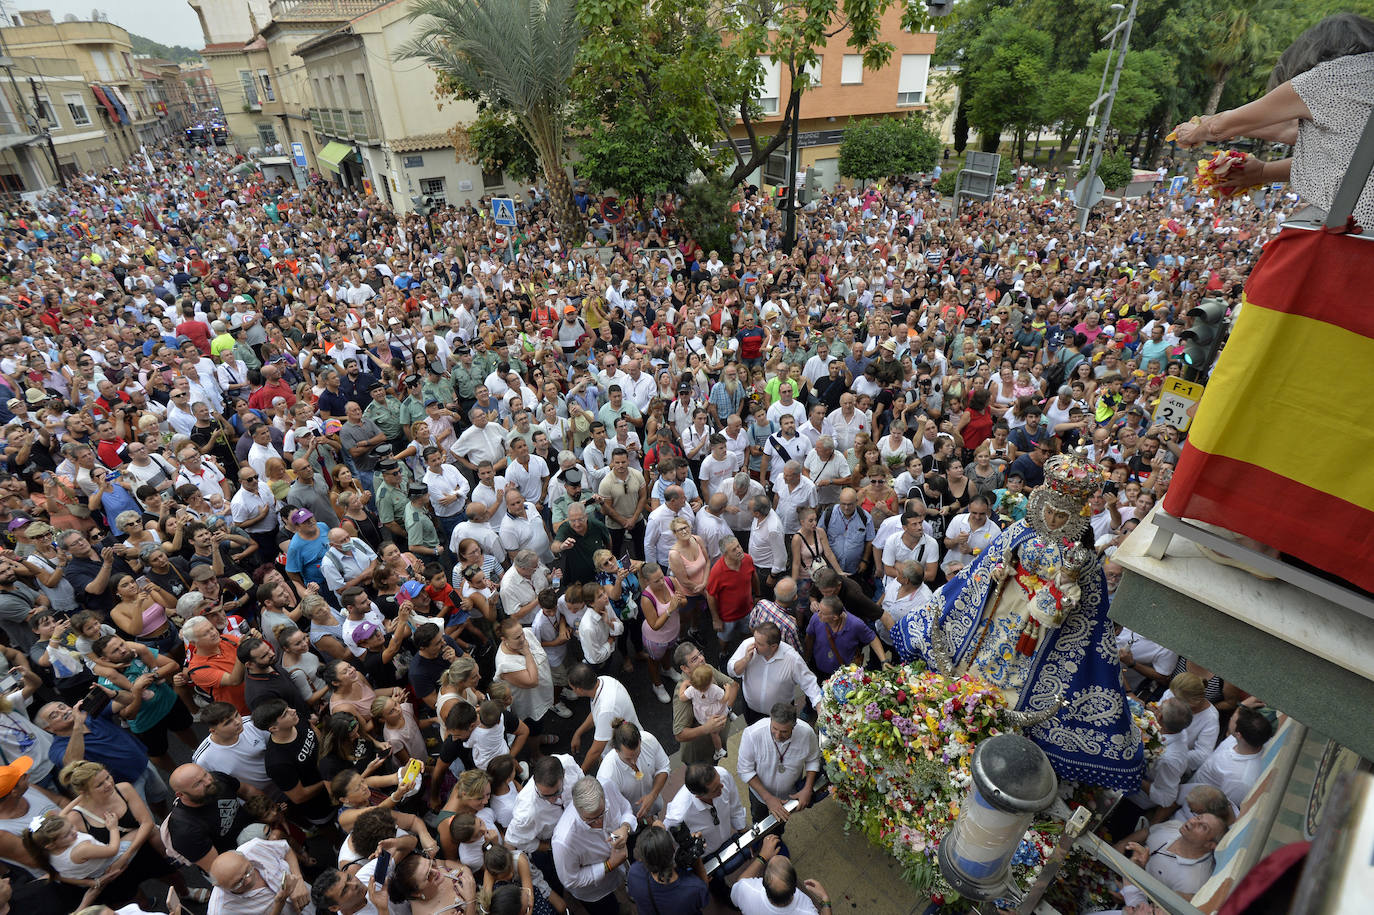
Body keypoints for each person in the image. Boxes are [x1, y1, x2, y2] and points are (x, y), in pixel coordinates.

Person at [893, 454, 1145, 790]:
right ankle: (963, 700)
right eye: (1050, 512)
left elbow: (1085, 609)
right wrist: (999, 572)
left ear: (1074, 517)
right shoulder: (1023, 527)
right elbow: (993, 559)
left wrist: (1059, 596)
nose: (1053, 519)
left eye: (1061, 515)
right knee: (979, 656)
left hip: (1039, 625)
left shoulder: (1079, 556)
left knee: (1017, 670)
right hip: (1002, 605)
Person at [550, 776, 635, 915]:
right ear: (576, 809)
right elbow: (571, 880)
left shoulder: (607, 786)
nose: (598, 822)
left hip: (620, 874)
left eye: (602, 814)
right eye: (590, 820)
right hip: (596, 892)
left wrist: (625, 828)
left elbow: (626, 808)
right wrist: (609, 865)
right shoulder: (564, 841)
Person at [736, 703, 822, 828]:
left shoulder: (807, 733)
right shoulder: (752, 734)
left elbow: (813, 759)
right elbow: (744, 770)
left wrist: (807, 788)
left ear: (794, 726)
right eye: (774, 729)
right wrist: (767, 798)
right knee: (759, 818)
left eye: (784, 732)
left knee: (780, 824)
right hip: (759, 795)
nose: (777, 736)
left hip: (789, 795)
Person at [730, 621, 823, 724]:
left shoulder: (792, 659)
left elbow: (809, 683)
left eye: (759, 643)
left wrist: (820, 707)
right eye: (755, 639)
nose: (754, 645)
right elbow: (731, 671)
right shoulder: (747, 645)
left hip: (781, 715)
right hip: (751, 711)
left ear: (773, 646)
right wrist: (745, 660)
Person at [730, 835, 833, 915]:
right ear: (794, 889)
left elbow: (741, 883)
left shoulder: (747, 890)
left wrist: (762, 857)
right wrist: (825, 899)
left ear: (763, 882)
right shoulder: (807, 911)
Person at [565, 663, 639, 773]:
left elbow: (596, 750)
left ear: (579, 689)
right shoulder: (603, 680)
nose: (572, 691)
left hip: (625, 755)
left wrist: (581, 774)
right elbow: (596, 713)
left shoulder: (606, 709)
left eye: (572, 688)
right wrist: (578, 733)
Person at [206, 839, 312, 915]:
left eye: (248, 871)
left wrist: (298, 879)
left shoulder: (254, 848)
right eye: (238, 883)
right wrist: (279, 904)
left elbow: (286, 850)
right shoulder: (220, 910)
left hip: (312, 898)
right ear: (221, 886)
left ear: (244, 857)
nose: (248, 880)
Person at [625, 824, 710, 915]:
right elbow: (703, 896)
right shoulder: (693, 888)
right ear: (673, 849)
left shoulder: (634, 873)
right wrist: (696, 858)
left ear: (642, 857)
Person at [596, 721, 671, 824]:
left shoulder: (649, 740)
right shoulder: (607, 775)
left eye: (637, 754)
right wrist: (634, 821)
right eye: (628, 758)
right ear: (616, 750)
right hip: (628, 826)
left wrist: (653, 795)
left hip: (654, 809)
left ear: (640, 741)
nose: (633, 761)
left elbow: (663, 768)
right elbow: (610, 813)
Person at [804, 597, 885, 678]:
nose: (818, 614)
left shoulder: (855, 624)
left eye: (823, 613)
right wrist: (806, 660)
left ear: (835, 617)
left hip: (844, 675)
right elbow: (809, 638)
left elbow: (872, 638)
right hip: (820, 672)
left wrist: (884, 661)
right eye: (819, 610)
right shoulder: (816, 618)